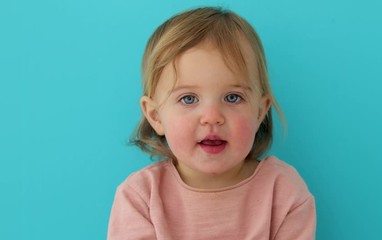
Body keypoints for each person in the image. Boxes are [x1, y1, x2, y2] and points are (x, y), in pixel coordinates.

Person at [108, 6, 316, 240]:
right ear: (155, 116)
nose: (212, 116)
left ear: (259, 112)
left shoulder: (284, 191)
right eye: (188, 99)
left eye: (232, 97)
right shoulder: (140, 197)